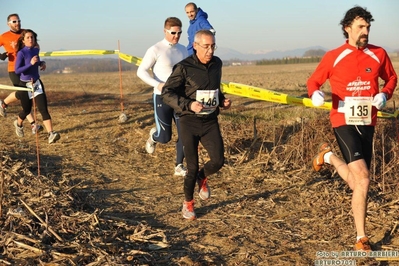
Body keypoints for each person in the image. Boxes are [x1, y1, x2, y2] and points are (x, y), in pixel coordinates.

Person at [307, 6, 397, 251]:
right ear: (347, 28)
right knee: (364, 179)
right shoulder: (334, 55)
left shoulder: (379, 53)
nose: (365, 31)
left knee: (356, 183)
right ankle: (361, 238)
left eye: (368, 27)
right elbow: (313, 80)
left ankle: (327, 156)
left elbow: (391, 78)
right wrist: (315, 92)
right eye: (360, 27)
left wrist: (384, 94)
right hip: (343, 120)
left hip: (368, 122)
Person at [161, 29, 231, 220]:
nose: (210, 51)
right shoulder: (183, 67)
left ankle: (202, 177)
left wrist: (223, 100)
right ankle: (188, 204)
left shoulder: (217, 64)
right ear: (195, 46)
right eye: (206, 46)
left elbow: (215, 89)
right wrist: (189, 104)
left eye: (213, 46)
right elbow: (167, 93)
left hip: (209, 121)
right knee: (191, 167)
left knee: (218, 161)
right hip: (188, 121)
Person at [137, 17, 188, 177]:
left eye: (179, 32)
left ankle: (179, 166)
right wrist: (157, 84)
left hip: (180, 98)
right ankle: (154, 136)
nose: (176, 36)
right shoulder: (155, 49)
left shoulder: (183, 50)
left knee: (185, 134)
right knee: (165, 137)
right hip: (162, 97)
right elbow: (141, 71)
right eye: (173, 33)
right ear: (165, 31)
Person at [14, 29, 61, 144]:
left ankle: (51, 133)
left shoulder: (36, 50)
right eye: (28, 38)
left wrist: (41, 63)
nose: (31, 39)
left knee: (43, 109)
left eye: (32, 37)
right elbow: (17, 70)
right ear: (23, 40)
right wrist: (30, 64)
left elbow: (37, 61)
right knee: (26, 110)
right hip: (25, 85)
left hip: (36, 83)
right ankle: (18, 123)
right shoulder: (21, 53)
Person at [0, 13, 43, 135]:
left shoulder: (26, 34)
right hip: (14, 69)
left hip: (27, 69)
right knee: (23, 94)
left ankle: (3, 103)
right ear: (8, 23)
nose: (17, 23)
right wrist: (0, 55)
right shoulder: (4, 37)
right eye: (14, 21)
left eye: (18, 20)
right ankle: (33, 124)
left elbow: (36, 45)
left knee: (24, 95)